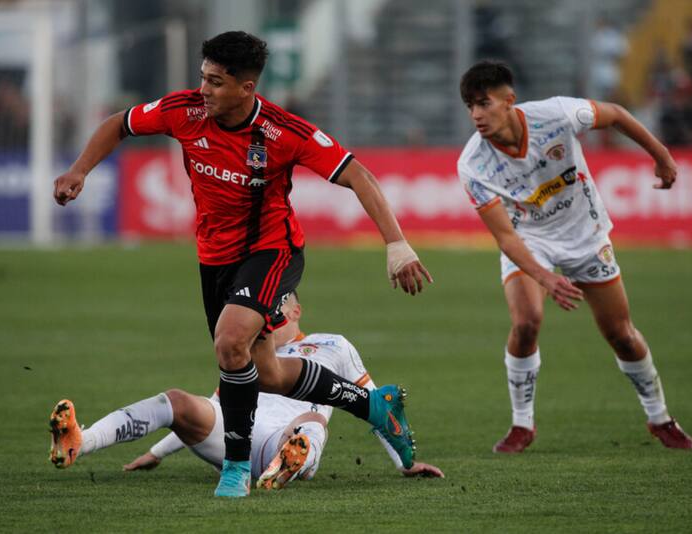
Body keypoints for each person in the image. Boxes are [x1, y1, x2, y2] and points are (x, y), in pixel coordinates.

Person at [53, 31, 432, 496]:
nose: (204, 90)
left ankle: (235, 470)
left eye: (215, 82)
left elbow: (358, 174)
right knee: (265, 372)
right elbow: (119, 123)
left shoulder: (282, 132)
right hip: (214, 258)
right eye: (202, 78)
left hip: (272, 251)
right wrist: (79, 170)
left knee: (230, 342)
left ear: (246, 88)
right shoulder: (184, 110)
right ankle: (375, 407)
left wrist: (397, 244)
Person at [456, 61, 692, 454]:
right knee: (527, 322)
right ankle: (522, 424)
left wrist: (662, 156)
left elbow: (616, 114)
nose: (476, 115)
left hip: (585, 233)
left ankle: (660, 417)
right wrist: (544, 277)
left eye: (484, 103)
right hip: (530, 239)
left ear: (509, 100)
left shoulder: (556, 114)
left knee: (621, 333)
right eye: (470, 106)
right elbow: (504, 236)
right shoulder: (472, 164)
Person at [49, 292, 444, 489]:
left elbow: (374, 404)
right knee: (177, 400)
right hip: (235, 437)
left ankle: (287, 463)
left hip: (287, 435)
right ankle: (80, 442)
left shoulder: (334, 346)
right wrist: (156, 452)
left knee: (309, 419)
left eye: (277, 302)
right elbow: (216, 403)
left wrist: (403, 463)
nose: (267, 311)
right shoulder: (246, 348)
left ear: (295, 310)